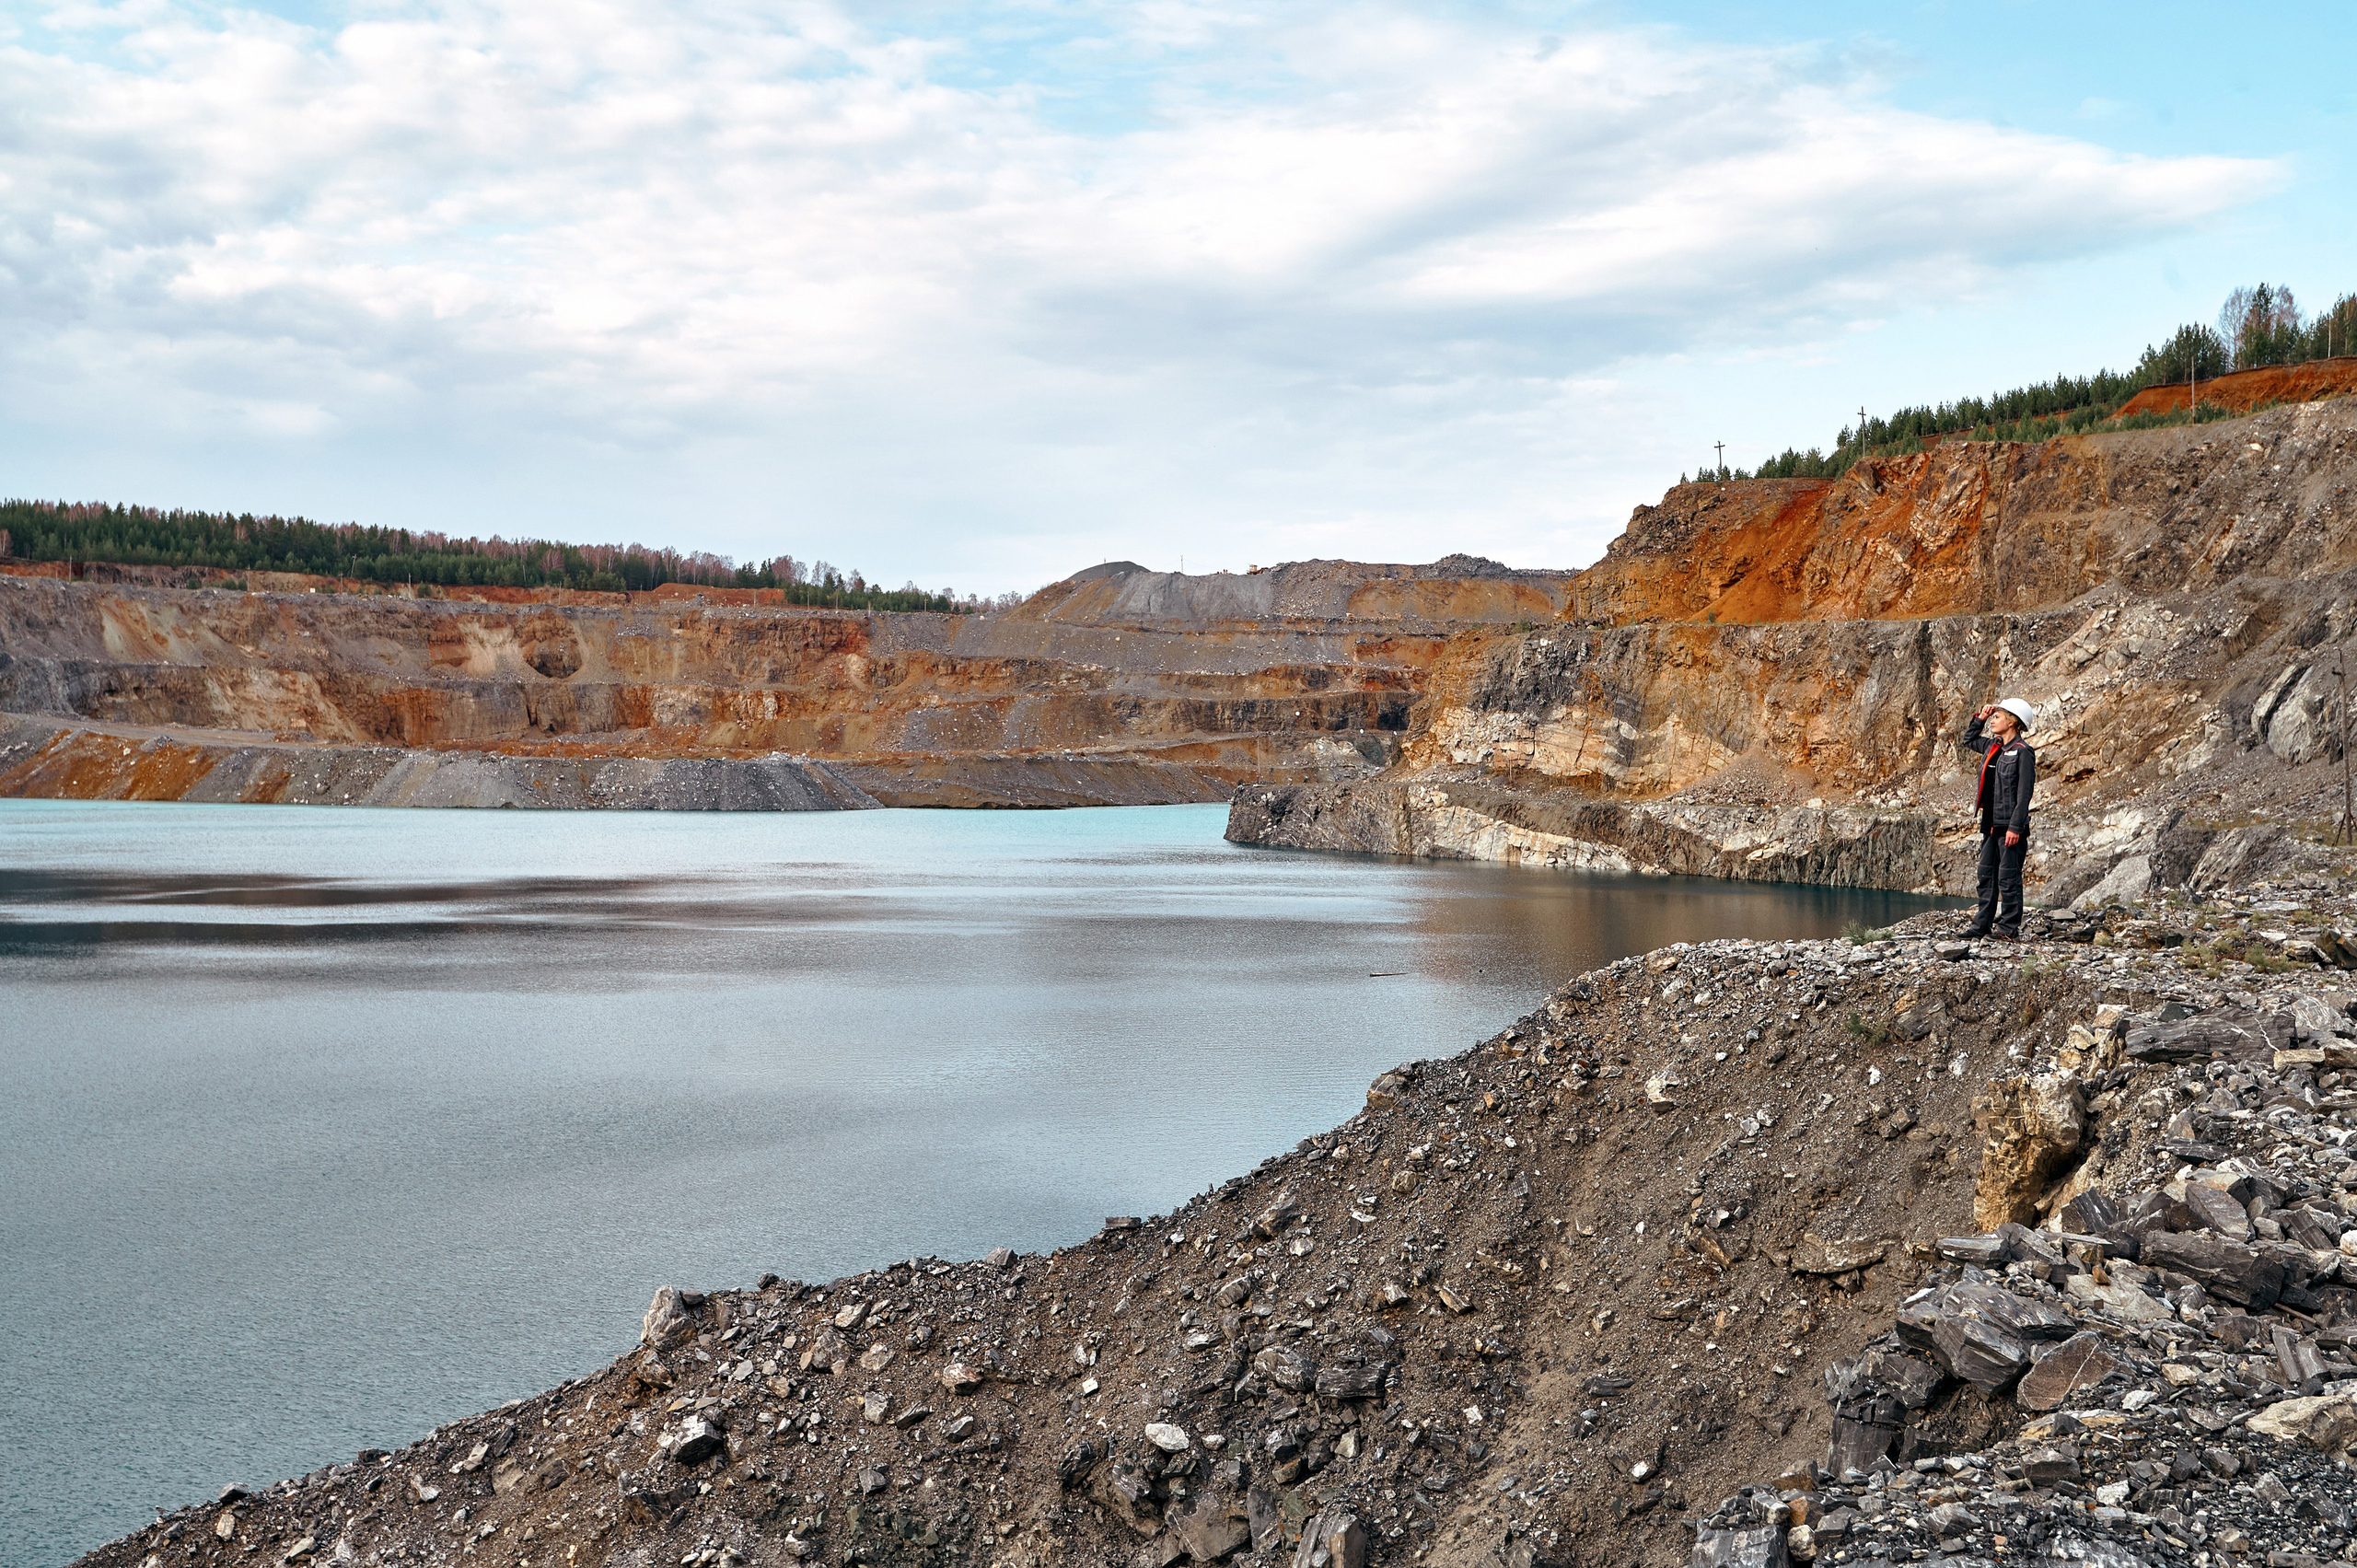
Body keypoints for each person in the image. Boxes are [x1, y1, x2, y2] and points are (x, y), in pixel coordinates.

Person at [1959, 697, 2037, 940]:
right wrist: (1980, 718)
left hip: (2010, 828)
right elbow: (1968, 740)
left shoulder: (2023, 752)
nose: (1993, 720)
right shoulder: (1992, 747)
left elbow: (2024, 794)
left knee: (2008, 878)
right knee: (1986, 876)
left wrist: (2016, 826)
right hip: (1990, 825)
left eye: (1998, 717)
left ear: (2012, 722)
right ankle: (1981, 926)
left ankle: (2007, 929)